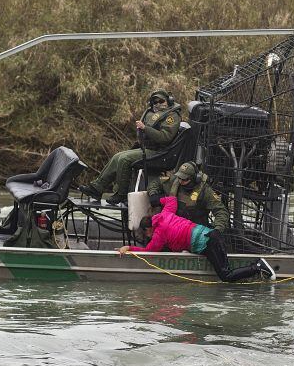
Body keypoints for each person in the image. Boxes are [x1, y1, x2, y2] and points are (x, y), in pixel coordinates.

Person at [118, 196, 275, 283]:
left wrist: (128, 248)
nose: (147, 237)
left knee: (226, 276)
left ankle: (258, 267)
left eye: (146, 234)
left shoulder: (159, 234)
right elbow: (171, 199)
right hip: (210, 234)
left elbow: (148, 251)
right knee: (226, 270)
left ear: (148, 229)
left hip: (208, 243)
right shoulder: (165, 213)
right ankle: (258, 268)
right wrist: (156, 200)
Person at [79, 89, 182, 205]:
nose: (158, 104)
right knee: (117, 156)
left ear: (168, 101)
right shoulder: (153, 112)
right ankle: (97, 188)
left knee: (125, 159)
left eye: (161, 101)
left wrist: (145, 128)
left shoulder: (171, 116)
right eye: (155, 101)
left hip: (160, 153)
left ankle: (121, 194)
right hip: (149, 149)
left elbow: (165, 137)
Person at [146, 161, 229, 232]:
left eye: (185, 179)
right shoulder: (173, 180)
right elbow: (156, 182)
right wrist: (153, 194)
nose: (181, 181)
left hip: (194, 231)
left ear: (195, 178)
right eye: (179, 178)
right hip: (172, 228)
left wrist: (217, 230)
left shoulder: (205, 191)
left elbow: (221, 211)